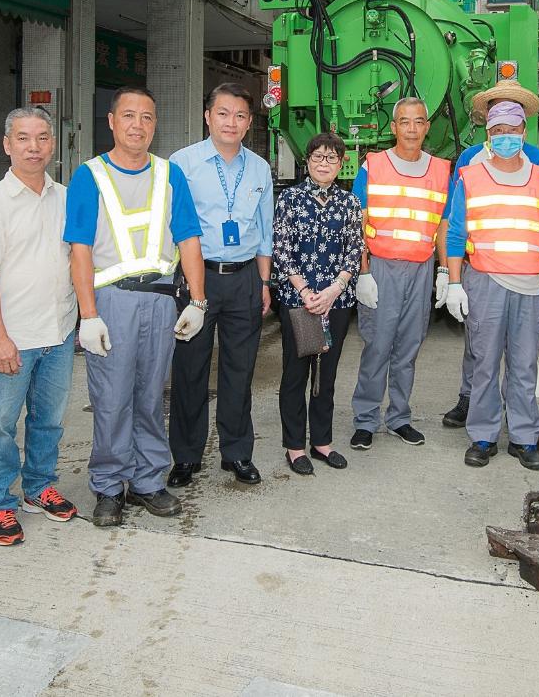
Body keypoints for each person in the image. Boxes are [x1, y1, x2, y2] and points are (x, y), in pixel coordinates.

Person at [65, 86, 208, 527]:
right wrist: (88, 314)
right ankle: (109, 486)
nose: (138, 125)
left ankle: (147, 481)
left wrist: (198, 301)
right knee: (111, 399)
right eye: (128, 115)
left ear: (155, 125)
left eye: (147, 117)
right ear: (111, 121)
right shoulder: (89, 176)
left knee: (149, 396)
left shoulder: (170, 175)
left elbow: (189, 240)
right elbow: (79, 250)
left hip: (161, 301)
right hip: (111, 302)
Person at [0, 107, 78, 546]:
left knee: (49, 421)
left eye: (42, 138)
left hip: (59, 332)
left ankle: (38, 487)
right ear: (7, 144)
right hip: (14, 337)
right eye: (24, 138)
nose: (34, 147)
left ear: (53, 144)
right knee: (0, 426)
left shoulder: (65, 197)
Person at [443, 100, 539, 470]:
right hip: (486, 281)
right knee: (485, 363)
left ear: (524, 133)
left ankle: (524, 438)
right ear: (488, 135)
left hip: (529, 285)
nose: (505, 137)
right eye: (498, 131)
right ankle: (483, 436)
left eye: (511, 130)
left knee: (524, 365)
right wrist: (454, 281)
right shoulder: (471, 176)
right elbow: (456, 233)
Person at [167, 83, 273, 487]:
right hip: (198, 277)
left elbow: (264, 231)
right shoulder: (182, 163)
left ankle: (237, 452)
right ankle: (186, 456)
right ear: (207, 116)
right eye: (223, 113)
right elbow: (173, 226)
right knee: (190, 368)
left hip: (245, 277)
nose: (232, 122)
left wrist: (264, 282)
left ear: (249, 122)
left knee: (240, 369)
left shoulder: (259, 168)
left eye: (240, 115)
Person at [350, 97, 451, 450]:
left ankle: (399, 418)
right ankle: (366, 419)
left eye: (418, 121)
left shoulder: (441, 170)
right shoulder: (373, 166)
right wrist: (362, 271)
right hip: (381, 268)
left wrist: (444, 271)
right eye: (404, 122)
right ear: (393, 128)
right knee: (377, 346)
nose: (411, 128)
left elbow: (444, 225)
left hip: (421, 269)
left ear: (427, 127)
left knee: (409, 347)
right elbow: (357, 222)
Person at [273, 132, 364, 475]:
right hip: (299, 300)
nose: (324, 163)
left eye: (331, 158)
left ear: (341, 164)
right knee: (295, 375)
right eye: (317, 157)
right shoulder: (290, 199)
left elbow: (355, 250)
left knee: (326, 374)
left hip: (335, 302)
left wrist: (334, 290)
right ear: (307, 161)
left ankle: (322, 442)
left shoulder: (349, 203)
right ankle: (295, 446)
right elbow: (281, 248)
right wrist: (305, 290)